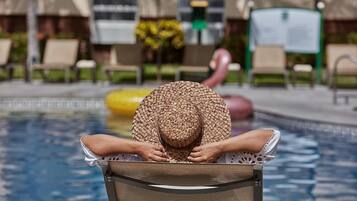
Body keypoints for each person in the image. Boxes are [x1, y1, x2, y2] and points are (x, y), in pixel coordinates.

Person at [81, 81, 280, 165]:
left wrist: (137, 147)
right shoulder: (227, 161)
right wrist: (219, 147)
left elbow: (89, 143)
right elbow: (270, 137)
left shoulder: (136, 161)